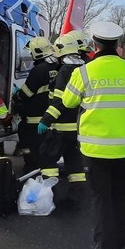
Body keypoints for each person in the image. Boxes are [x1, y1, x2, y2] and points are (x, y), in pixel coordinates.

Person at [58, 21, 125, 249]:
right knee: (120, 194)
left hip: (95, 148)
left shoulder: (84, 72)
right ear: (118, 45)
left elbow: (68, 102)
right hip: (124, 148)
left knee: (101, 197)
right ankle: (120, 242)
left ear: (94, 45)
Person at [36, 30, 91, 208]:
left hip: (60, 128)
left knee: (47, 160)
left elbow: (59, 100)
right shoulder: (85, 70)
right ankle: (76, 198)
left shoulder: (66, 71)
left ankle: (49, 197)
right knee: (75, 163)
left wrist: (46, 120)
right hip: (79, 129)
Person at [12, 37, 58, 172]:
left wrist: (16, 95)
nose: (31, 56)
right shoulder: (58, 67)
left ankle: (31, 169)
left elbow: (25, 94)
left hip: (33, 122)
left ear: (37, 52)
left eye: (32, 52)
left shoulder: (38, 70)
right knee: (45, 152)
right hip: (51, 117)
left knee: (29, 148)